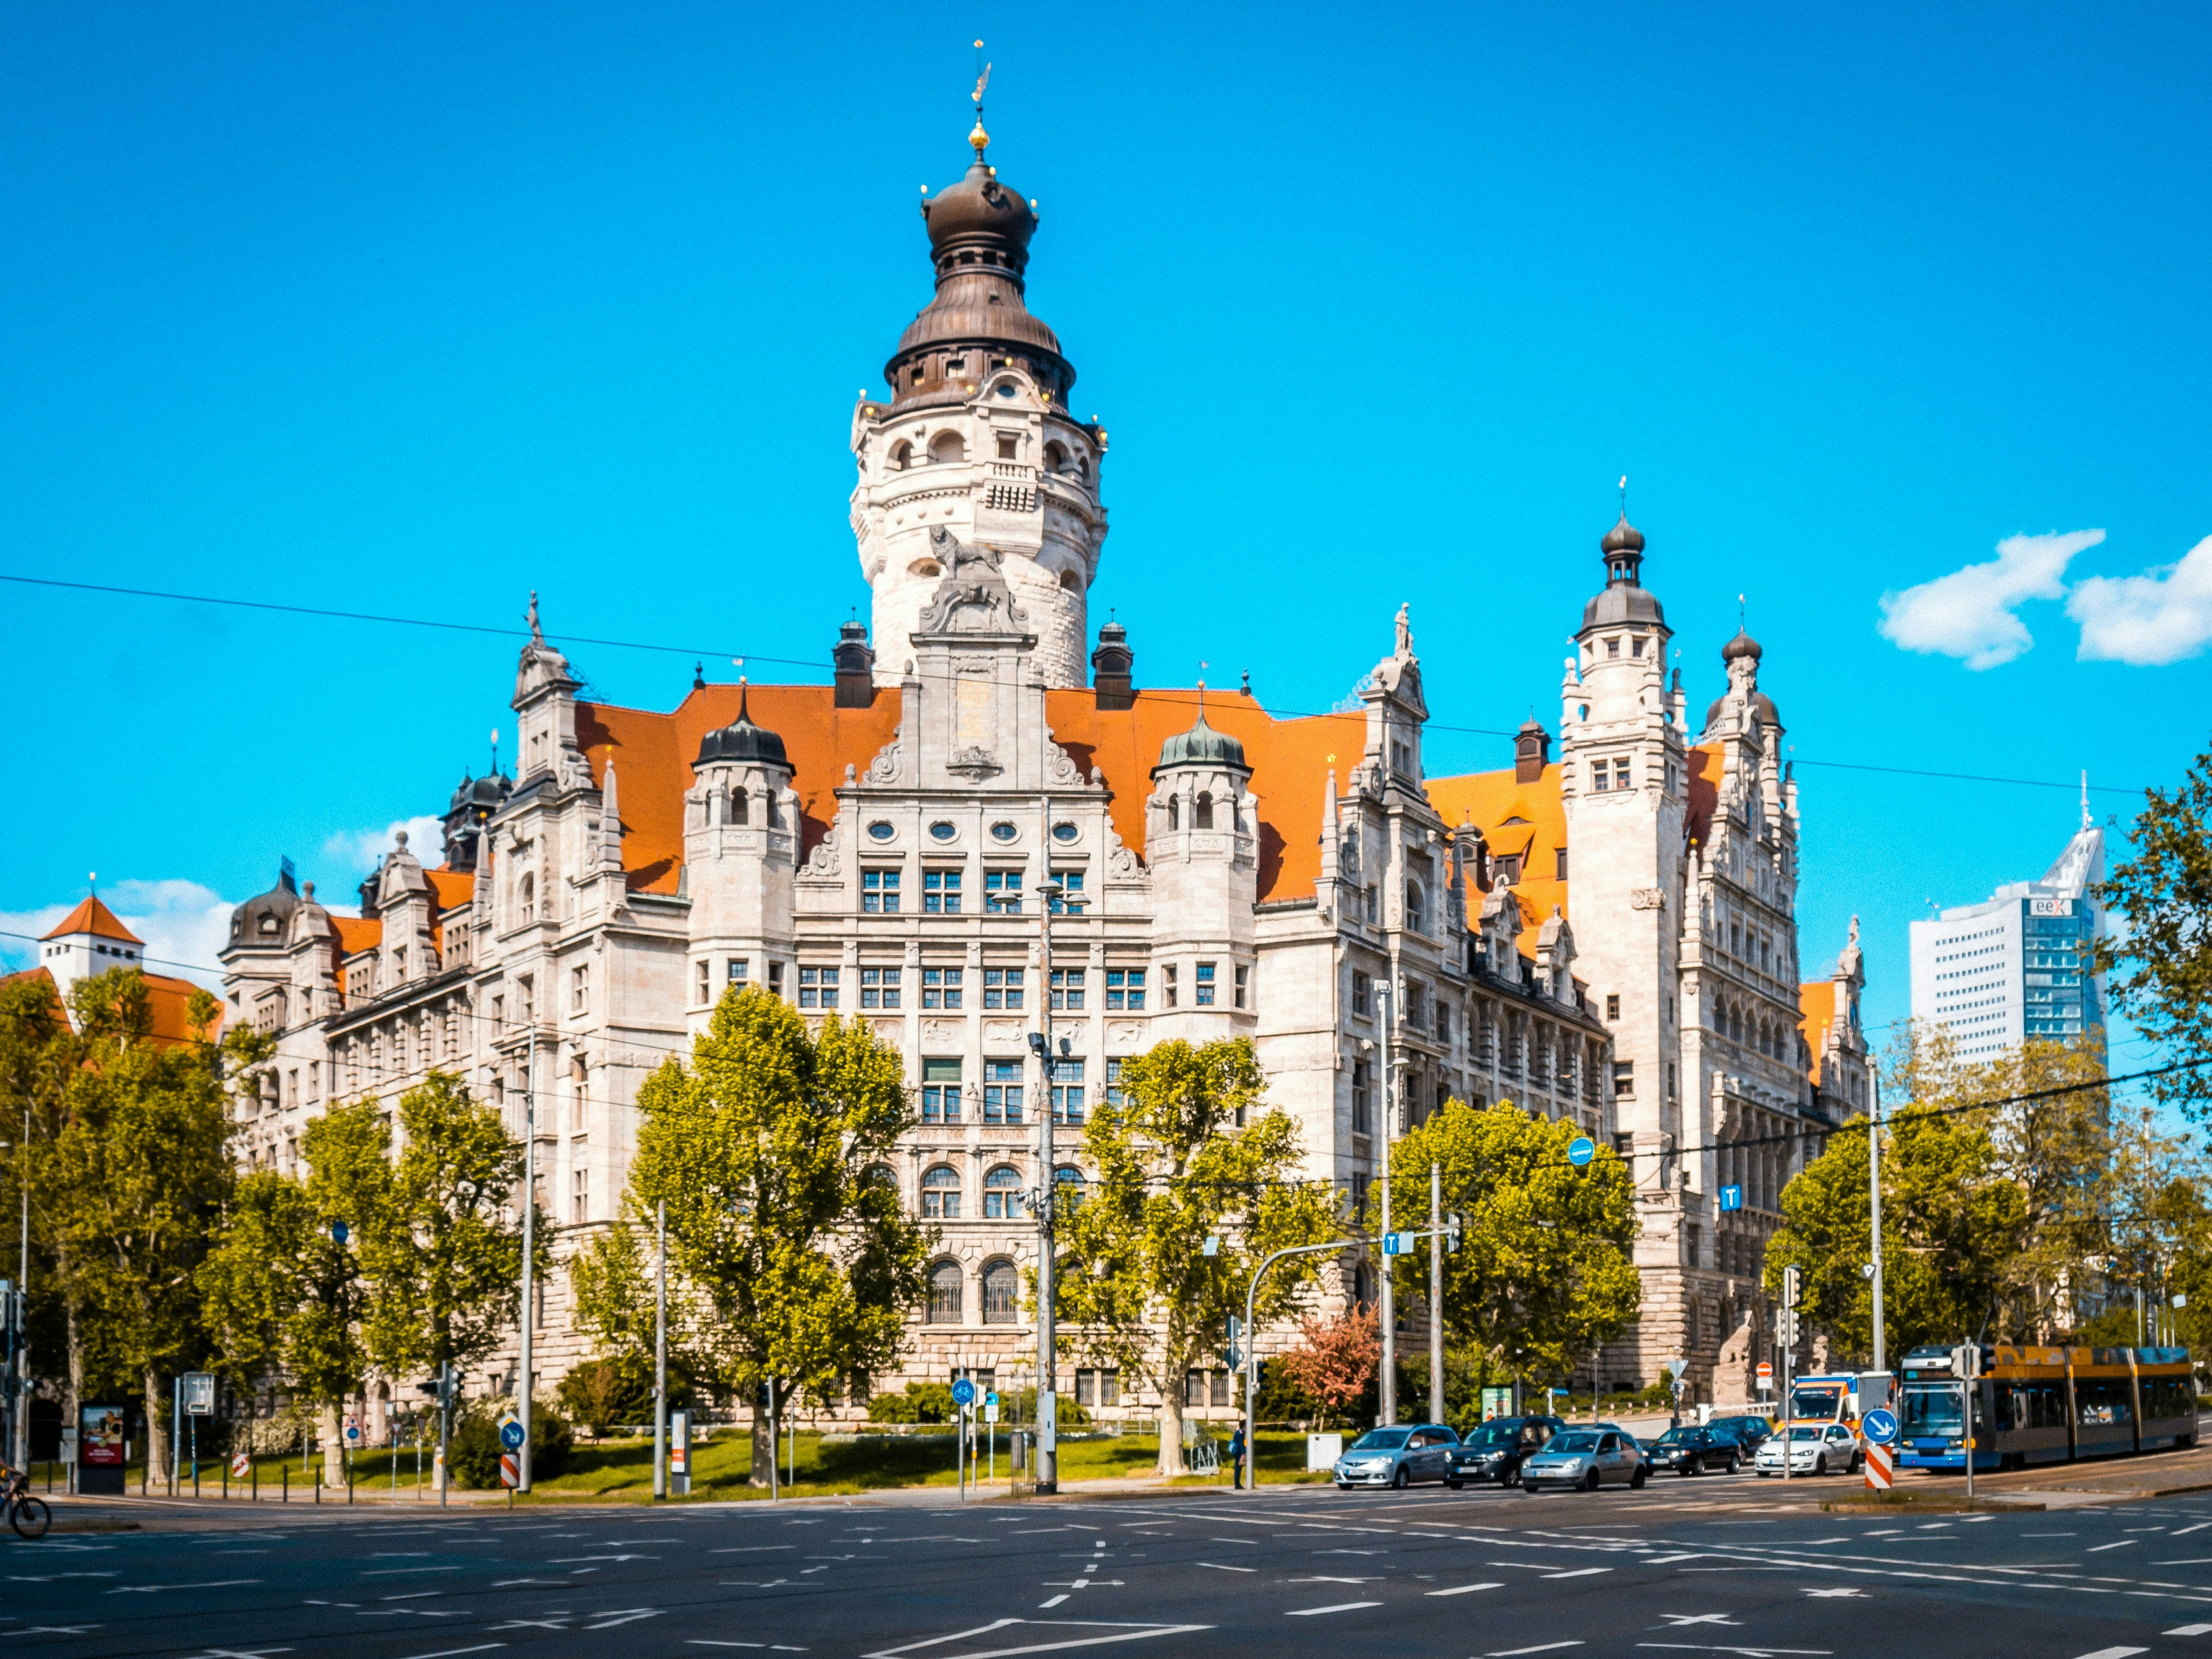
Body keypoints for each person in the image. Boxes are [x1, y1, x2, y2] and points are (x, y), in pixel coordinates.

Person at [1228, 1423, 1247, 1489]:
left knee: (1238, 1468)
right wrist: (1243, 1454)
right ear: (1244, 1426)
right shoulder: (1240, 1433)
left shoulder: (1238, 1432)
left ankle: (1238, 1484)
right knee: (1238, 1469)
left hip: (1238, 1452)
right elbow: (1241, 1444)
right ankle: (1237, 1484)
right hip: (1239, 1453)